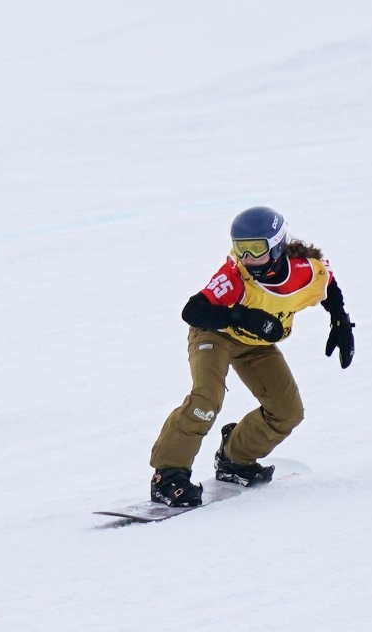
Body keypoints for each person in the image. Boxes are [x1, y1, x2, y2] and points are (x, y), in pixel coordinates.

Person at [148, 206, 355, 507]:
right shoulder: (235, 276)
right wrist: (240, 315)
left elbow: (328, 285)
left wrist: (341, 321)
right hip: (215, 335)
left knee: (287, 412)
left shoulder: (306, 270)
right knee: (207, 399)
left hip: (255, 346)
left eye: (255, 249)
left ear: (277, 245)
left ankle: (235, 459)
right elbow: (192, 311)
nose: (247, 259)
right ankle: (167, 475)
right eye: (240, 249)